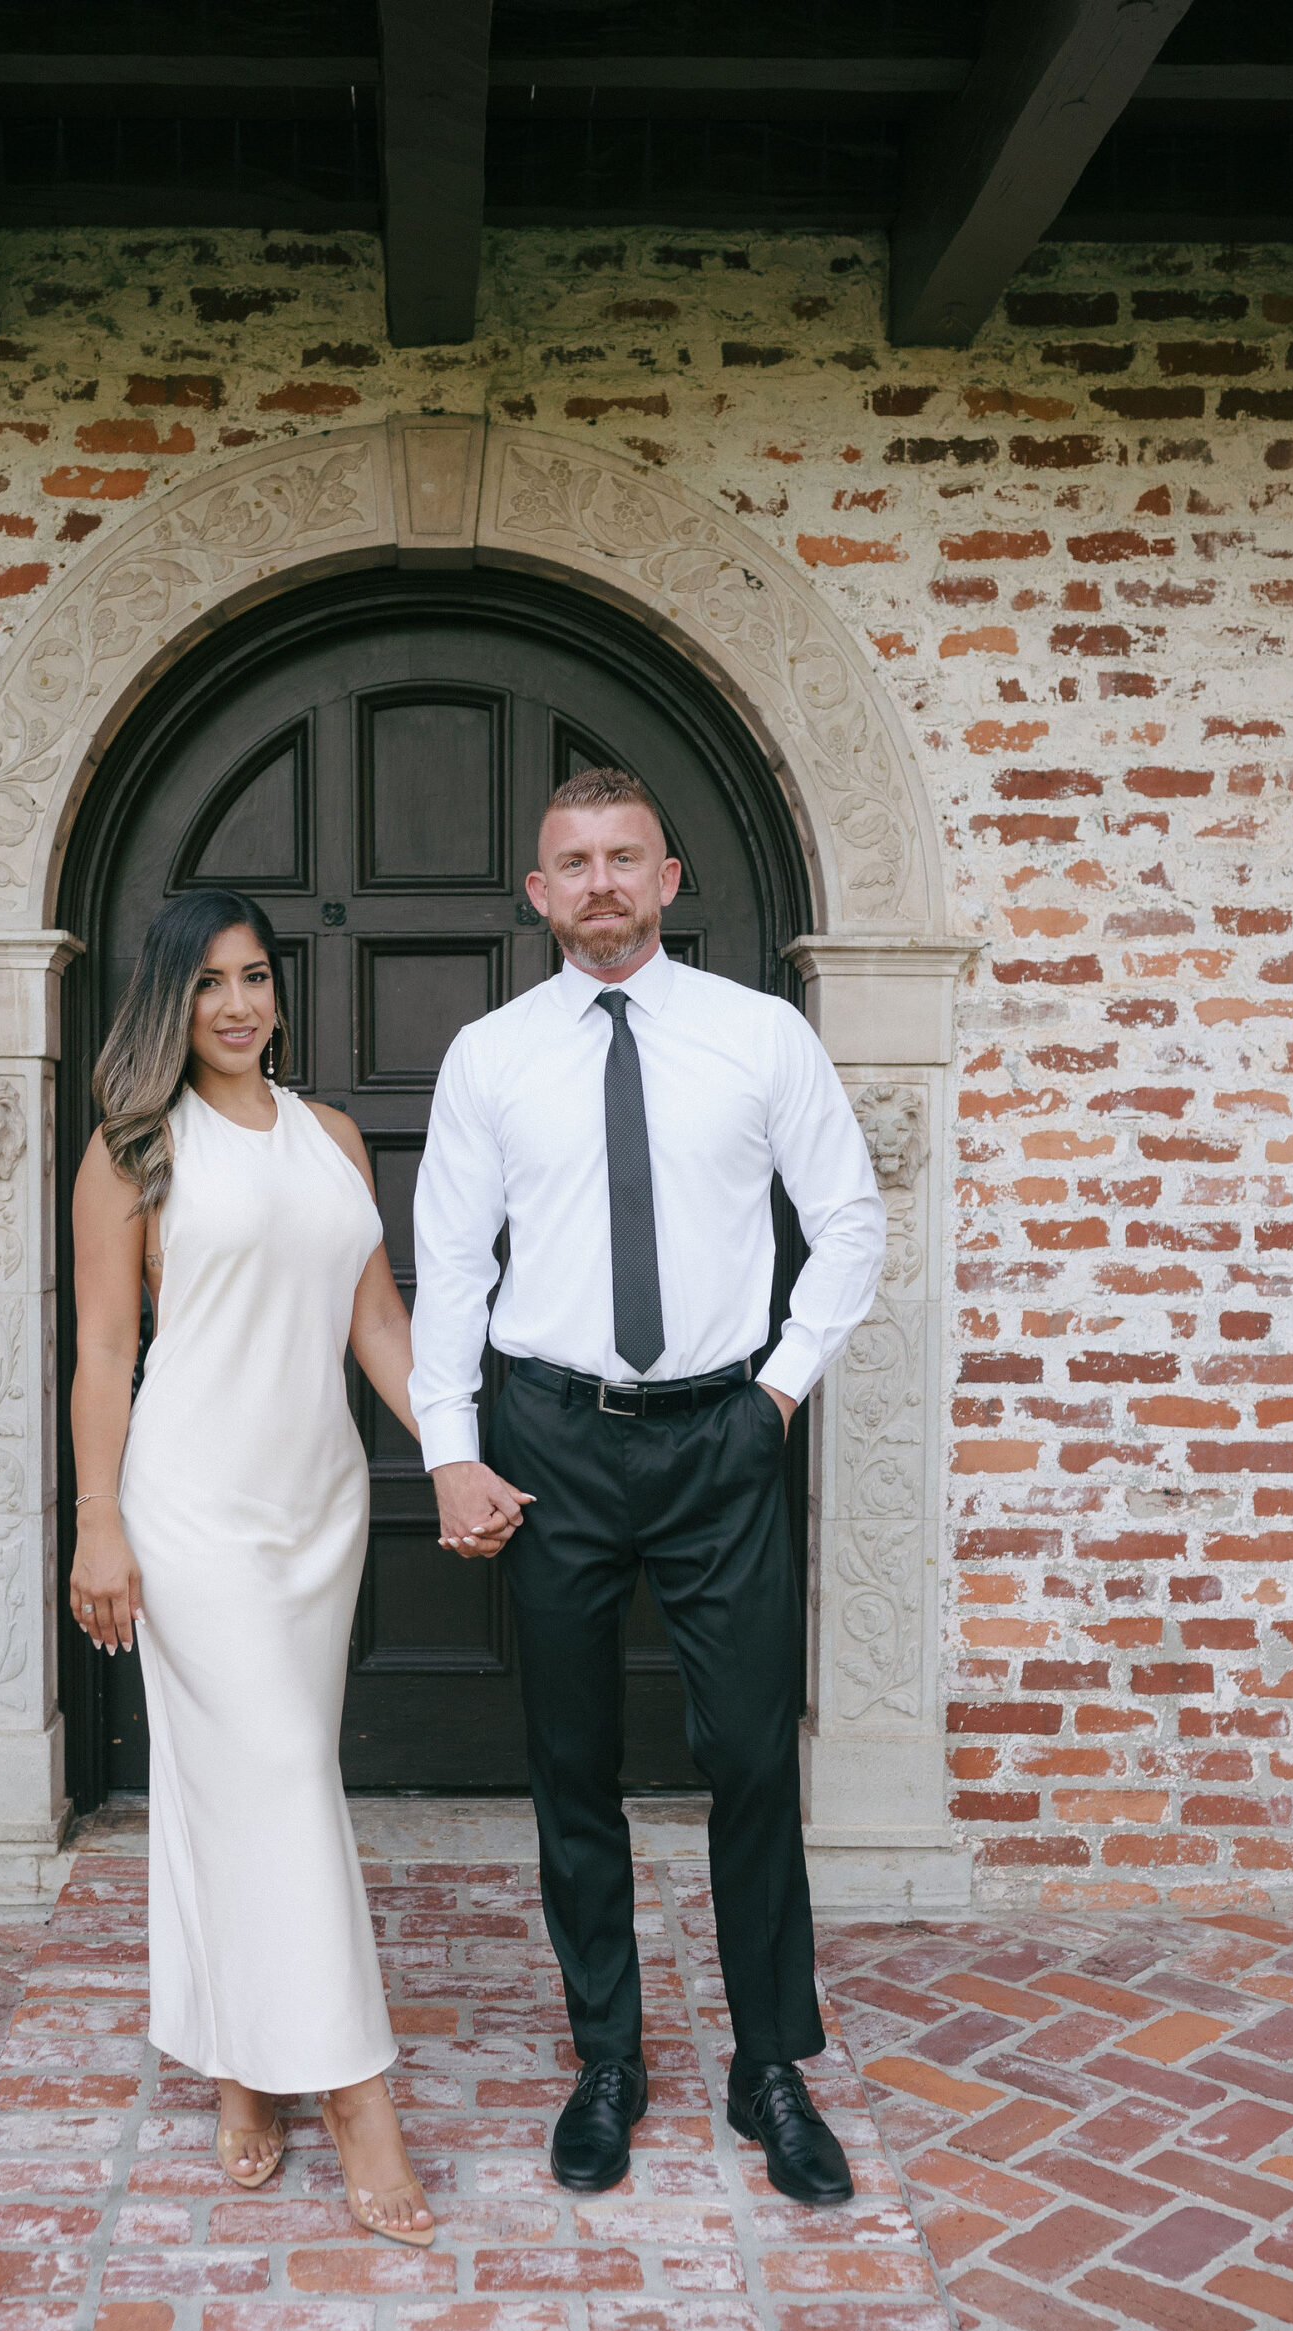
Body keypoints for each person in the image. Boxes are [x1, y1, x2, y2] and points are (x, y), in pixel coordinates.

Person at [409, 768, 885, 2207]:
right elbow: (453, 1269)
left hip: (719, 1439)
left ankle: (768, 2067)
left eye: (626, 858)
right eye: (574, 863)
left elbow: (849, 1220)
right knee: (573, 1766)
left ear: (670, 878)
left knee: (748, 1754)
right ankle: (605, 2055)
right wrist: (449, 1445)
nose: (602, 883)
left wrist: (779, 1396)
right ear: (539, 896)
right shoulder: (490, 1057)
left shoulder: (762, 1037)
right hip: (549, 1438)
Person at [69, 886, 452, 2244]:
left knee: (239, 1789)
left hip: (317, 1510)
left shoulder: (332, 1139)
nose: (236, 1005)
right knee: (284, 1781)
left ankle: (241, 2064)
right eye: (208, 982)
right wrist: (97, 1522)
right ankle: (354, 2094)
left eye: (256, 978)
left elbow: (380, 1328)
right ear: (169, 999)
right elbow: (107, 1354)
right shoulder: (131, 1151)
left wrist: (458, 1457)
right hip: (191, 1509)